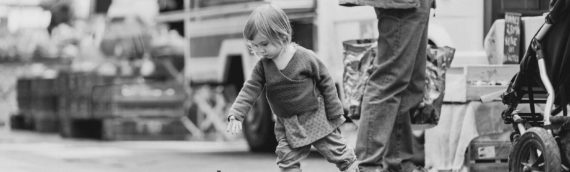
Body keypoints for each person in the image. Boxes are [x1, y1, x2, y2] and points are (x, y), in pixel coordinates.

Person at [225, 4, 359, 172]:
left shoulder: (305, 57)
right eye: (254, 46)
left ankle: (352, 168)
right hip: (287, 123)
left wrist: (334, 110)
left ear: (282, 35)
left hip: (315, 116)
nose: (259, 50)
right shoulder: (262, 67)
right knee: (287, 160)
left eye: (264, 44)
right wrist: (236, 115)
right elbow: (249, 89)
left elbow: (326, 80)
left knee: (338, 152)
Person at [339, 0, 433, 172]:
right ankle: (366, 166)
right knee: (389, 80)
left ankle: (400, 164)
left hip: (415, 3)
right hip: (403, 4)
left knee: (408, 85)